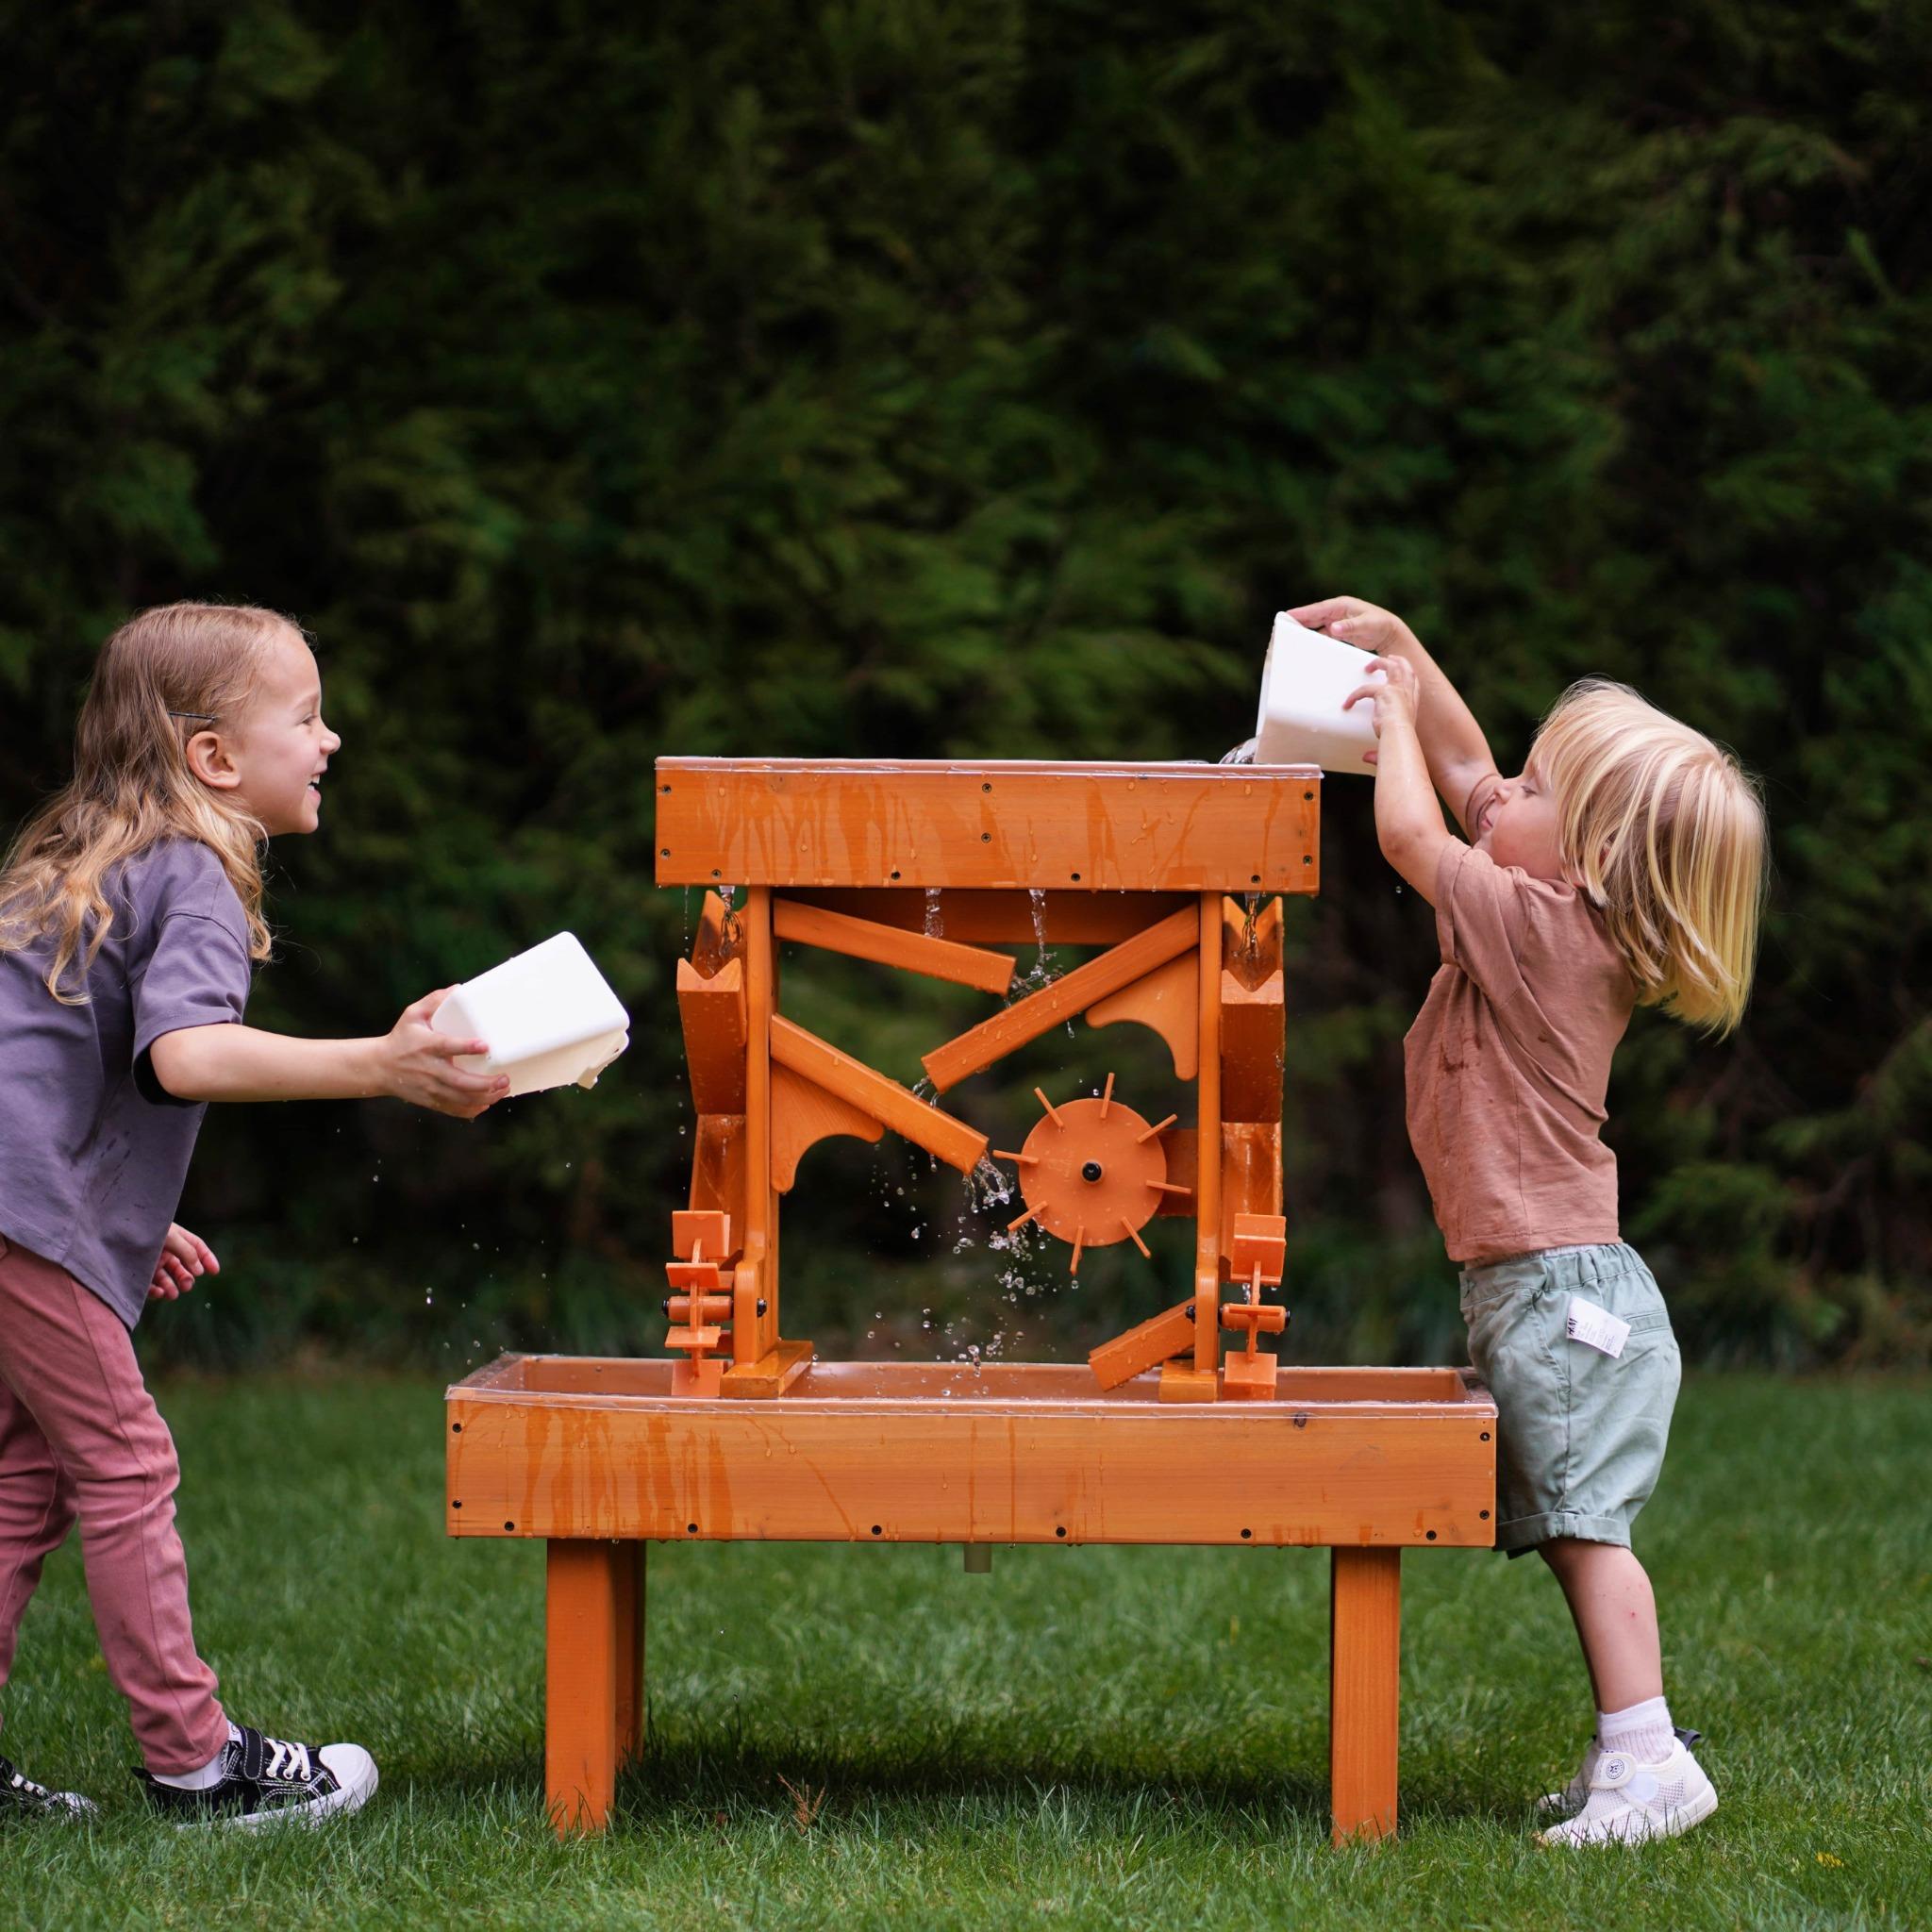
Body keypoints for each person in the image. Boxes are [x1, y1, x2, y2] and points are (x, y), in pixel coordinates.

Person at [0, 602, 509, 1826]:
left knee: (26, 1477)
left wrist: (119, 1220)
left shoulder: (97, 862)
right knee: (125, 1462)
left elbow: (50, 1070)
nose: (331, 739)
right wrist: (384, 1064)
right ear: (214, 757)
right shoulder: (191, 868)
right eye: (306, 717)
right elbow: (184, 1057)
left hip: (23, 1212)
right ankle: (196, 1763)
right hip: (24, 1216)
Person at [1301, 593, 1767, 1847]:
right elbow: (1464, 778)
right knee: (1575, 1533)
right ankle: (1630, 1749)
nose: (1499, 790)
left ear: (1591, 861)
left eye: (1536, 789)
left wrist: (1387, 712)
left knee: (1584, 1535)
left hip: (1562, 1300)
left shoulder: (1542, 934)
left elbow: (1410, 825)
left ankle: (1650, 1759)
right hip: (1546, 1288)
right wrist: (1404, 649)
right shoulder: (1547, 893)